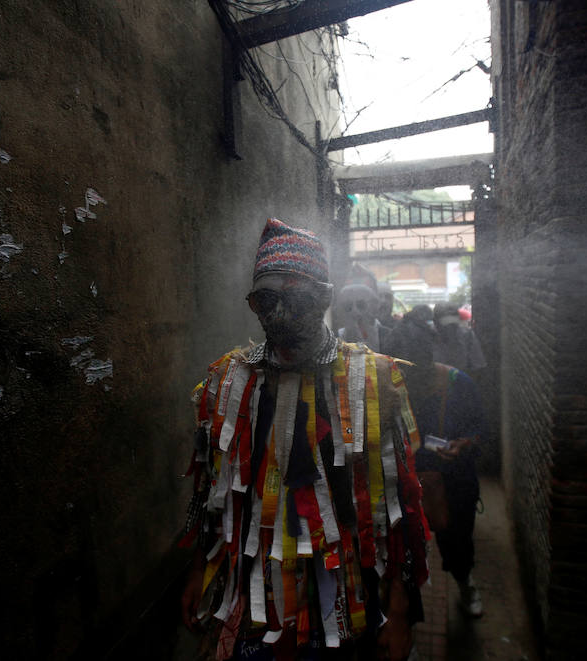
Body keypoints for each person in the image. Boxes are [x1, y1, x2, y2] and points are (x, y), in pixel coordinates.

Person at [179, 218, 431, 661]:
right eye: (265, 300)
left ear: (324, 298)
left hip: (347, 599)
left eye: (295, 299)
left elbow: (400, 509)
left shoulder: (373, 380)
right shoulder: (225, 381)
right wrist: (199, 570)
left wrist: (400, 607)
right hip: (254, 596)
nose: (278, 314)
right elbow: (210, 496)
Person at [386, 305, 484, 618]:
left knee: (456, 539)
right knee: (403, 553)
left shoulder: (459, 383)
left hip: (454, 481)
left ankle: (465, 582)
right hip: (404, 486)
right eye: (406, 368)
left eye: (420, 363)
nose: (413, 375)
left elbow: (481, 428)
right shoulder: (390, 390)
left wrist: (464, 443)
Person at [335, 264, 390, 352]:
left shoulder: (391, 338)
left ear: (375, 305)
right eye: (348, 306)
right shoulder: (334, 340)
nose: (355, 312)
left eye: (361, 305)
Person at [431, 301, 486, 376]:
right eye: (445, 324)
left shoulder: (467, 335)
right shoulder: (427, 337)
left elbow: (478, 365)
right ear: (435, 321)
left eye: (453, 324)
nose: (450, 328)